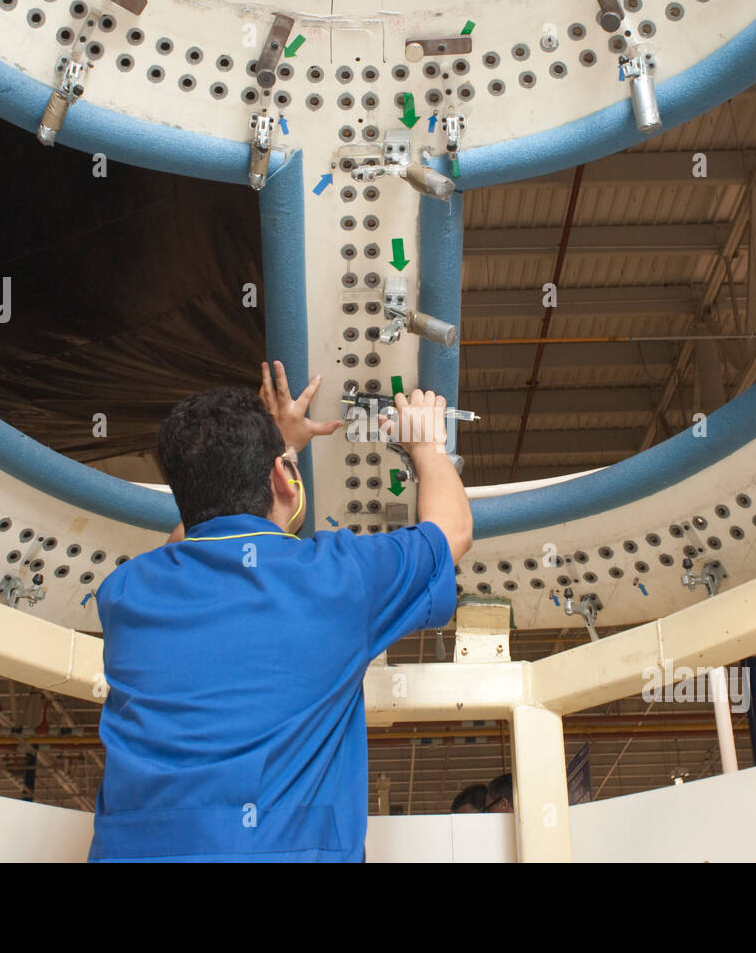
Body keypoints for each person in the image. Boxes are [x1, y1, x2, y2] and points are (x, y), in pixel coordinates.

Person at [88, 360, 473, 862]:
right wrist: (426, 445)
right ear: (282, 478)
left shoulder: (125, 594)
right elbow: (451, 532)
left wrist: (280, 454)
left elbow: (191, 532)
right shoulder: (337, 578)